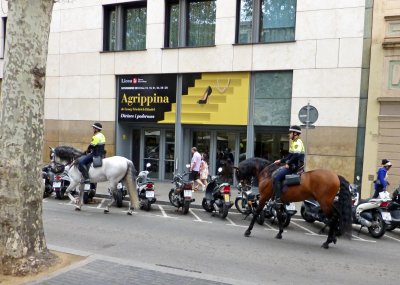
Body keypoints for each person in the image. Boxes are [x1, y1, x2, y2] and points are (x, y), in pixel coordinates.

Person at [273, 125, 305, 205]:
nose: (289, 134)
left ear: (295, 133)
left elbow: (296, 155)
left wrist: (288, 163)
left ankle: (278, 198)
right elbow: (289, 156)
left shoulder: (298, 142)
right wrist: (280, 160)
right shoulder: (294, 142)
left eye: (290, 132)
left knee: (277, 178)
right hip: (292, 165)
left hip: (294, 166)